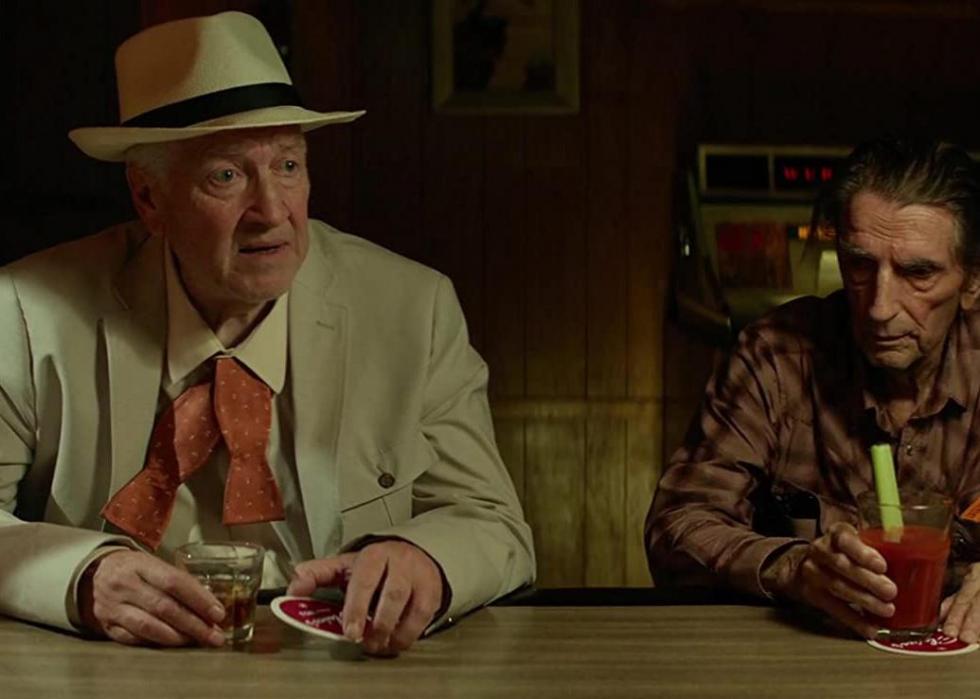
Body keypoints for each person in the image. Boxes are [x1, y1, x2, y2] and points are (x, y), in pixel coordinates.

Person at [0, 11, 534, 653]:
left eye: (287, 165)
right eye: (226, 176)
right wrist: (80, 578)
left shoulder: (410, 310)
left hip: (342, 670)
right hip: (110, 670)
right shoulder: (27, 311)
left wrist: (422, 558)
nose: (272, 211)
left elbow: (492, 522)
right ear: (149, 199)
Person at [647, 135, 980, 642]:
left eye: (918, 273)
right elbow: (676, 525)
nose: (879, 308)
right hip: (802, 662)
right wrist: (792, 568)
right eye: (860, 265)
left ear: (973, 280)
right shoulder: (777, 355)